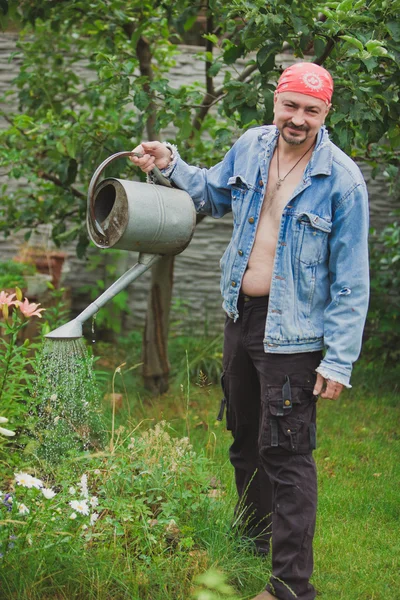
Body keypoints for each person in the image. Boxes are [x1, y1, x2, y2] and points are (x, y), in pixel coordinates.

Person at [130, 62, 369, 600]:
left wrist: (338, 361)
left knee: (286, 453)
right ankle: (253, 547)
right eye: (291, 105)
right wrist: (170, 161)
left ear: (326, 112)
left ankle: (289, 587)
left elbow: (353, 281)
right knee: (244, 442)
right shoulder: (252, 147)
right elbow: (211, 194)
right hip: (241, 318)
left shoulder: (342, 180)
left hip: (296, 335)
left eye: (311, 110)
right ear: (276, 101)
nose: (298, 119)